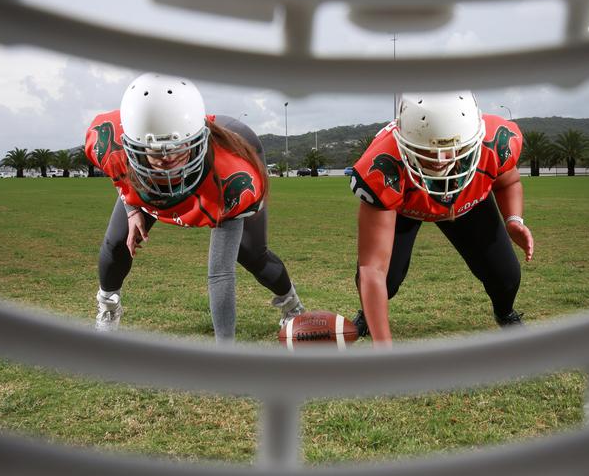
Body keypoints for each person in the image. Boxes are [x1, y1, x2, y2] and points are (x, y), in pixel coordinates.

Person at [84, 73, 304, 342]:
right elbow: (118, 172)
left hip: (217, 172)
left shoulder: (230, 172)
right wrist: (132, 209)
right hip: (147, 178)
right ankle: (108, 308)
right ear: (132, 146)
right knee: (117, 241)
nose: (167, 160)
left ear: (197, 138)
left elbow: (220, 273)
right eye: (155, 151)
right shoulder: (112, 142)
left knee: (250, 254)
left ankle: (291, 305)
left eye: (177, 149)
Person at [349, 91, 534, 347]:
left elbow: (509, 181)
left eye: (450, 149)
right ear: (404, 140)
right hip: (405, 206)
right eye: (426, 150)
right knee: (385, 279)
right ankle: (368, 317)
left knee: (506, 276)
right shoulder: (384, 165)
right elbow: (372, 270)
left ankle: (505, 314)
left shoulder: (493, 143)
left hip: (467, 200)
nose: (439, 160)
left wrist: (514, 219)